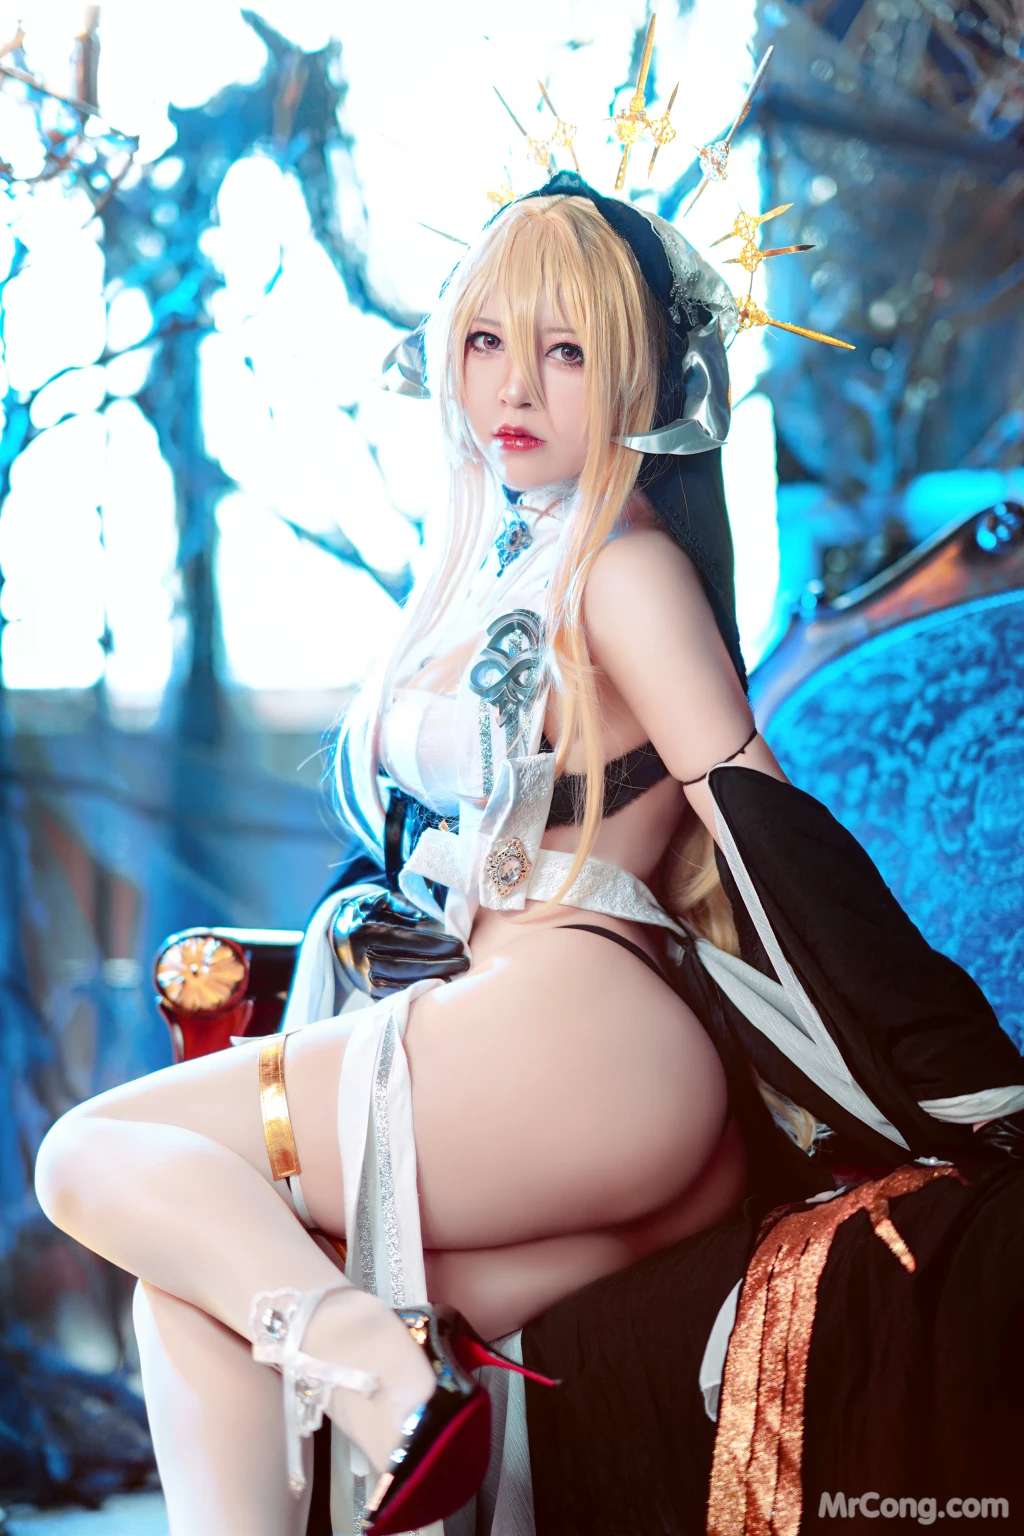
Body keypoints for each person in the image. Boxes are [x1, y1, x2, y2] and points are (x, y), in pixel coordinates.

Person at [33, 169, 1024, 1536]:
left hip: (590, 1046)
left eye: (567, 352)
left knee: (88, 1152)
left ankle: (388, 1381)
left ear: (637, 379)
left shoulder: (623, 565)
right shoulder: (497, 562)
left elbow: (751, 799)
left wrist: (946, 1071)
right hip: (525, 1052)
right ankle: (382, 1376)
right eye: (489, 341)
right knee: (193, 1291)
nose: (516, 385)